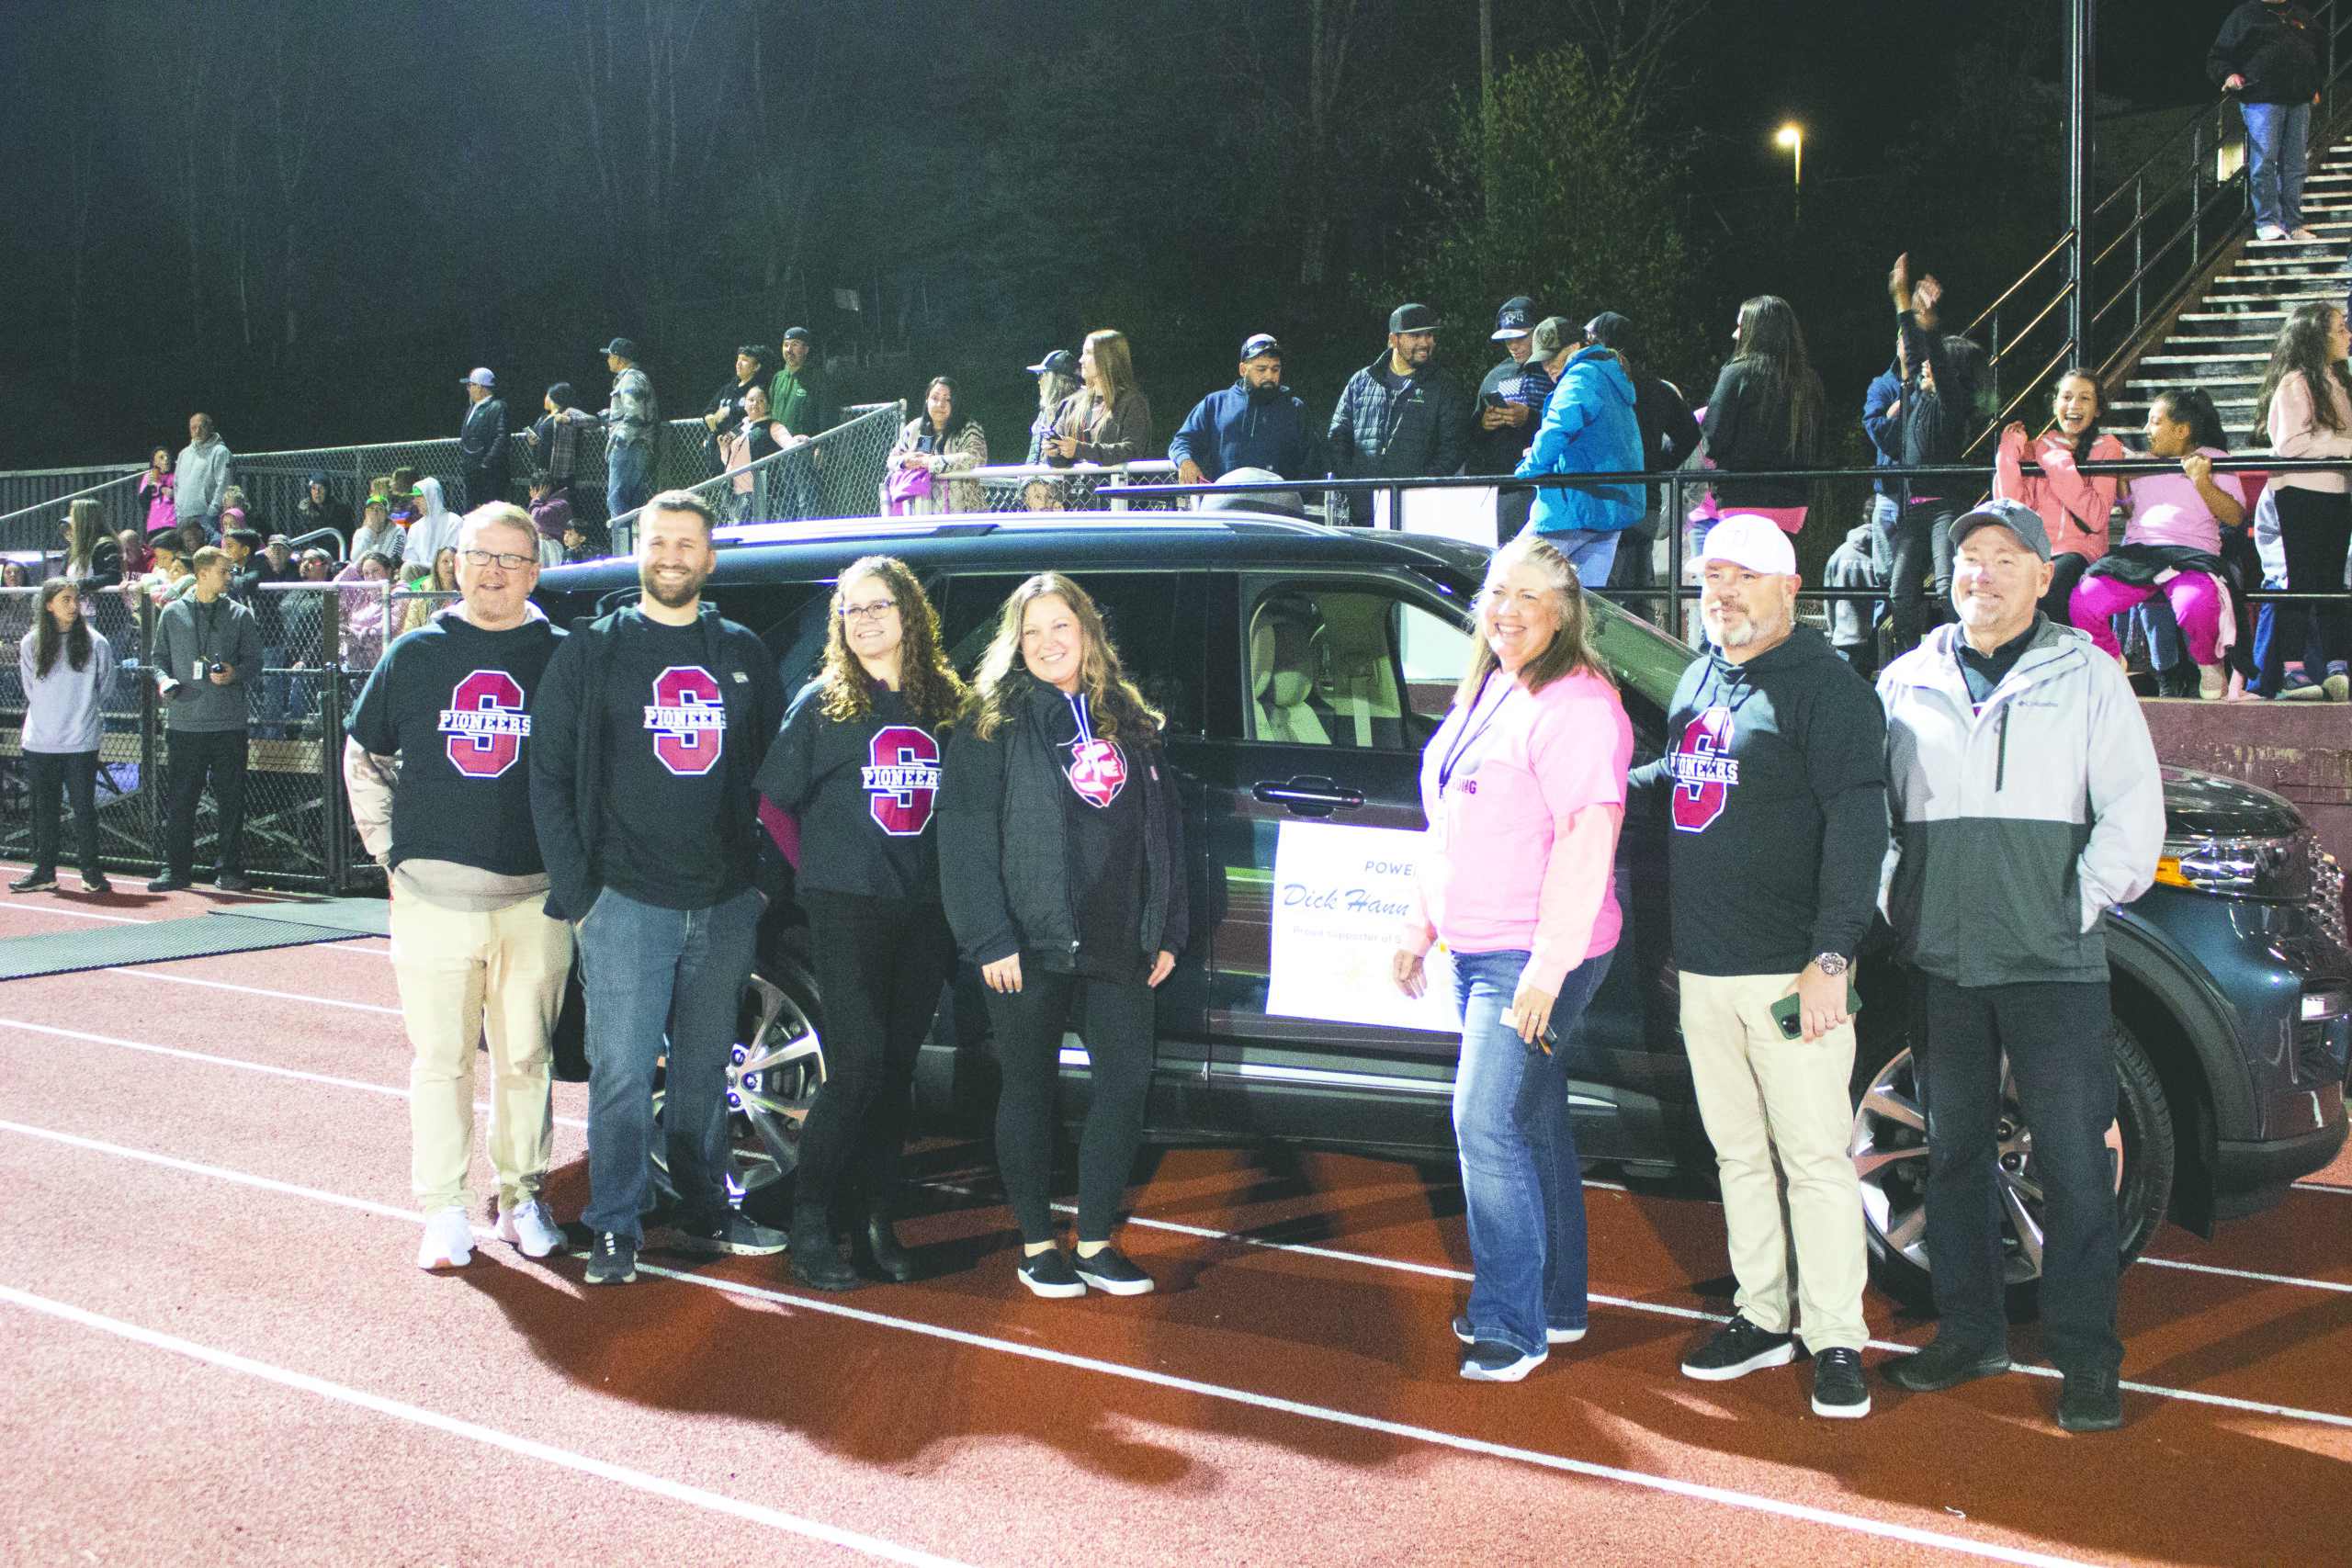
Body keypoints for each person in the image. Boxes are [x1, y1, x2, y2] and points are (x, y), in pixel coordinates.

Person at [1877, 497, 2164, 1434]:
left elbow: (2132, 811)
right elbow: (1873, 818)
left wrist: (2071, 907)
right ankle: (1971, 1332)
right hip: (1943, 964)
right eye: (1967, 558)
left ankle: (2087, 1357)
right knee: (1954, 1157)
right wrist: (1898, 901)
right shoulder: (1903, 680)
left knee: (2076, 1164)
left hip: (2051, 964)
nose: (1982, 573)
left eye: (2005, 557)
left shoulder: (2088, 677)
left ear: (2044, 576)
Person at [1624, 515, 1886, 1418]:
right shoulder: (1703, 674)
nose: (1722, 593)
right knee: (1737, 1154)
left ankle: (1836, 1335)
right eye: (1710, 577)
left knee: (1812, 1156)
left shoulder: (1829, 691)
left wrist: (1830, 957)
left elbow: (1860, 830)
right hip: (1704, 971)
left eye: (1742, 577)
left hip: (1787, 978)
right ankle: (1763, 1314)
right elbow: (1686, 777)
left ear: (1789, 588)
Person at [529, 490, 789, 1284]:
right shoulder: (593, 650)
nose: (673, 556)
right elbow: (548, 773)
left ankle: (707, 1207)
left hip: (721, 900)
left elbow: (773, 777)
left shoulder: (742, 651)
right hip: (625, 900)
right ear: (638, 549)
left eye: (688, 544)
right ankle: (615, 1221)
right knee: (621, 1068)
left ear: (710, 559)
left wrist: (759, 885)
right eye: (659, 541)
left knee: (708, 1067)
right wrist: (583, 895)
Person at [1390, 533, 1631, 1381]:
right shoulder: (1494, 687)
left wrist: (1545, 967)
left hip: (1530, 957)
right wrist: (1423, 926)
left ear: (1564, 611)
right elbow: (1450, 822)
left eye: (1530, 597)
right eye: (1498, 593)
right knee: (1530, 1123)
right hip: (1480, 944)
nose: (1508, 611)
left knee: (1483, 1123)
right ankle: (1557, 1305)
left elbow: (1585, 841)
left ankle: (1510, 1322)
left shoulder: (1578, 705)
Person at [938, 573, 1188, 1299]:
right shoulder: (992, 718)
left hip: (1119, 937)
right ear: (1015, 643)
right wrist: (988, 936)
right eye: (1033, 631)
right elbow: (963, 833)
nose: (1049, 643)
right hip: (1028, 938)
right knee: (1029, 1085)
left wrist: (1167, 926)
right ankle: (1038, 1243)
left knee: (1123, 1084)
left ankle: (1098, 1240)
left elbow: (1163, 826)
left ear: (1088, 633)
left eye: (1062, 627)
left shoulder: (1128, 715)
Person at [346, 503, 572, 1271]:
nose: (494, 571)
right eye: (480, 555)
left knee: (527, 1058)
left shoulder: (563, 657)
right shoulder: (413, 653)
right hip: (434, 896)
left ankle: (520, 1198)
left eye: (512, 558)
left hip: (536, 897)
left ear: (535, 570)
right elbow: (362, 756)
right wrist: (389, 851)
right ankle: (443, 1208)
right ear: (455, 562)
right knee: (441, 1059)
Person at [757, 557, 967, 1290]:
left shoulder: (946, 701)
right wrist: (817, 875)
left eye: (880, 605)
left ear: (910, 612)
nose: (867, 619)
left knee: (898, 1072)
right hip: (847, 908)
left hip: (924, 910)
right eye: (852, 610)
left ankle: (874, 1215)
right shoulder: (823, 703)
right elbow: (773, 803)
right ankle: (811, 1219)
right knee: (860, 1065)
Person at [2073, 388, 2248, 700]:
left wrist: (2201, 480)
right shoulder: (2141, 462)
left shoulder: (2214, 459)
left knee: (2195, 603)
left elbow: (2235, 516)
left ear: (2182, 431)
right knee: (2084, 599)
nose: (2145, 430)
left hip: (2192, 555)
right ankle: (2112, 661)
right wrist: (2124, 487)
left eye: (2154, 422)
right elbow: (2130, 510)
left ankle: (2209, 662)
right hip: (2141, 553)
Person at [1885, 257, 1989, 655]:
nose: (1926, 365)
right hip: (1913, 507)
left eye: (1936, 361)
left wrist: (1931, 327)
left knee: (1949, 588)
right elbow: (1912, 355)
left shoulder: (1953, 402)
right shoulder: (1912, 395)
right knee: (1899, 591)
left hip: (1946, 505)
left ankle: (1965, 653)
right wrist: (1901, 303)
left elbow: (1938, 364)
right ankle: (1909, 658)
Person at [2253, 299, 2352, 698]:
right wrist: (2344, 444)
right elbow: (2289, 443)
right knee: (2300, 582)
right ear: (2316, 337)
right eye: (2340, 329)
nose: (2348, 335)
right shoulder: (2296, 382)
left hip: (2337, 491)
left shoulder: (2339, 381)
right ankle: (2293, 671)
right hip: (2300, 493)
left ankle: (2335, 665)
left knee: (2331, 582)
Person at [148, 546, 261, 894]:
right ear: (202, 573)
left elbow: (255, 664)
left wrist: (235, 672)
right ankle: (175, 870)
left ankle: (229, 869)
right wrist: (163, 680)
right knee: (181, 799)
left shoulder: (241, 615)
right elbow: (157, 659)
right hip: (185, 724)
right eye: (224, 571)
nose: (230, 576)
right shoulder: (172, 614)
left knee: (231, 801)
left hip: (228, 724)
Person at [1514, 317, 1643, 584]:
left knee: (1510, 578)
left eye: (1552, 357)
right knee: (1584, 607)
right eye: (1542, 359)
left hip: (1574, 508)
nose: (1547, 366)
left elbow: (1559, 427)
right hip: (1610, 511)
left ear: (1574, 346)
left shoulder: (1581, 374)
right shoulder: (1610, 373)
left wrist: (1528, 470)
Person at [1995, 369, 2127, 627]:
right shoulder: (2039, 447)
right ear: (2055, 404)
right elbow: (2014, 508)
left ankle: (2058, 660)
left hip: (2080, 551)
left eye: (2085, 398)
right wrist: (2008, 453)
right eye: (2066, 397)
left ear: (2098, 409)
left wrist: (2058, 463)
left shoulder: (2107, 447)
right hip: (2037, 549)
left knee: (2050, 588)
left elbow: (2096, 517)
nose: (2074, 405)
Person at [1585, 311, 1700, 606]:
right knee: (1639, 590)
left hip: (1606, 503)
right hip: (1645, 504)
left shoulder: (1594, 386)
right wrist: (1658, 466)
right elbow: (1690, 435)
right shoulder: (1659, 389)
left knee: (1604, 595)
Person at [14, 578, 117, 897]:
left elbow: (107, 687)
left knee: (84, 808)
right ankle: (44, 871)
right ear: (49, 604)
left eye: (76, 599)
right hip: (40, 740)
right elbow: (31, 690)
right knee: (44, 809)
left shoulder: (95, 642)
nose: (73, 605)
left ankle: (91, 872)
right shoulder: (30, 643)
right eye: (65, 599)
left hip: (80, 741)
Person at [1328, 303, 1474, 526]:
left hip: (1417, 515)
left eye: (1430, 335)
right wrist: (1352, 484)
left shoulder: (1445, 386)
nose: (1425, 342)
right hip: (1362, 514)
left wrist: (1420, 488)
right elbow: (1338, 435)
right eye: (1415, 336)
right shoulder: (1361, 381)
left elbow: (1454, 447)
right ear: (1394, 340)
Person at [2210, 1, 2324, 242]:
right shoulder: (2245, 15)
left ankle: (2293, 224)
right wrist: (2228, 75)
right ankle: (2267, 222)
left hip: (2298, 99)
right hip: (2262, 98)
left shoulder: (2299, 13)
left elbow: (2317, 49)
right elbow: (2218, 55)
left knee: (2295, 165)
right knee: (2265, 162)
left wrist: (2313, 85)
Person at [1826, 355, 1906, 673]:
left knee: (1895, 582)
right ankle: (1889, 649)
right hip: (1891, 489)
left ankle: (1882, 648)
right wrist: (1906, 408)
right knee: (1891, 580)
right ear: (1898, 343)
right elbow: (1880, 434)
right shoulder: (1883, 384)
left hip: (1846, 646)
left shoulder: (1841, 552)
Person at [1170, 333, 1318, 486]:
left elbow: (1312, 464)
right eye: (1261, 369)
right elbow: (1182, 441)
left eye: (1275, 369)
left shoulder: (1295, 409)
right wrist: (1185, 461)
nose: (1269, 375)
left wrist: (1296, 498)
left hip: (1280, 506)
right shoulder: (1215, 404)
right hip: (1227, 503)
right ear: (1243, 369)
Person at [1471, 298, 1549, 537]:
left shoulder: (1555, 369)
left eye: (1521, 337)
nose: (1513, 345)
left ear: (1538, 332)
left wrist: (1530, 418)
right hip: (1506, 490)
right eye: (1508, 339)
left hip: (1550, 487)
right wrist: (1485, 425)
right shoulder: (1494, 377)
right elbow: (1472, 437)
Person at [1046, 330, 1155, 477]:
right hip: (1078, 497)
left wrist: (1080, 449)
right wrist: (1055, 451)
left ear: (1109, 358)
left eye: (1088, 353)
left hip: (1116, 496)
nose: (1081, 360)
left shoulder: (1131, 402)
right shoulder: (1073, 403)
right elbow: (1061, 461)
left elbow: (1132, 451)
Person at [886, 378, 987, 514]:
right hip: (921, 517)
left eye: (947, 400)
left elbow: (975, 458)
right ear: (927, 401)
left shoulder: (969, 428)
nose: (940, 404)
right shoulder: (914, 428)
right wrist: (904, 461)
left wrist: (930, 462)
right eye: (935, 398)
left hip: (964, 516)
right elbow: (891, 460)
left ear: (955, 404)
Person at [770, 328, 836, 520]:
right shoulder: (778, 378)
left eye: (796, 345)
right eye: (786, 345)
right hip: (779, 452)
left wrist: (822, 447)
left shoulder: (817, 377)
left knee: (808, 499)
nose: (789, 350)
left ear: (806, 349)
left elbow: (827, 413)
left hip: (805, 451)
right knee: (784, 500)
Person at [599, 338, 659, 526]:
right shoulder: (636, 378)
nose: (608, 359)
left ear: (619, 358)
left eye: (610, 356)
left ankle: (622, 551)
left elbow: (634, 414)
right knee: (634, 504)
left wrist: (619, 442)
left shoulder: (630, 378)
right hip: (640, 447)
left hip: (630, 447)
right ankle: (633, 549)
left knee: (616, 500)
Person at [718, 383, 788, 523]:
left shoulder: (771, 426)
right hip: (733, 491)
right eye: (751, 400)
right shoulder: (741, 427)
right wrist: (723, 447)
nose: (755, 404)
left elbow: (788, 442)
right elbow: (729, 460)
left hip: (754, 492)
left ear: (768, 406)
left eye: (761, 401)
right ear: (745, 404)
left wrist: (796, 440)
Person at [701, 345, 772, 475]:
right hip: (720, 447)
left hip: (743, 449)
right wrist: (709, 416)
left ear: (756, 367)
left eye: (744, 360)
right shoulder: (728, 388)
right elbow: (710, 408)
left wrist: (730, 411)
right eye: (738, 359)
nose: (739, 364)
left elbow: (755, 411)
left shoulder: (758, 389)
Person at [525, 383, 599, 495]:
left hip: (560, 471)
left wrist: (569, 420)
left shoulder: (568, 412)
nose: (545, 399)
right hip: (541, 471)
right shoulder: (543, 417)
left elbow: (594, 421)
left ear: (553, 397)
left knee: (561, 504)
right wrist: (531, 442)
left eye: (547, 395)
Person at [458, 368, 510, 513]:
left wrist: (486, 462)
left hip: (489, 473)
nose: (468, 389)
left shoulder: (497, 406)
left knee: (490, 512)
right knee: (471, 511)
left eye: (470, 385)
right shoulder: (473, 408)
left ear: (480, 387)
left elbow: (501, 437)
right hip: (472, 470)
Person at [175, 413, 233, 540]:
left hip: (206, 516)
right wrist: (178, 509)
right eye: (193, 428)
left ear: (210, 427)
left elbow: (224, 483)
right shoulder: (184, 454)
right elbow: (176, 484)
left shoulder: (220, 451)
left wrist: (212, 511)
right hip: (183, 516)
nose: (198, 431)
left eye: (202, 426)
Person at [1024, 349, 1081, 466]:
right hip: (1038, 481)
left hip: (1064, 481)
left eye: (1041, 375)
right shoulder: (1045, 412)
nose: (1038, 382)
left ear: (1053, 379)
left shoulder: (1079, 409)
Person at [404, 476, 463, 571]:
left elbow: (451, 556)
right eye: (414, 497)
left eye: (419, 497)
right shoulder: (415, 527)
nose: (415, 502)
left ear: (431, 497)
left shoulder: (454, 522)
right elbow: (410, 557)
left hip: (445, 572)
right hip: (420, 576)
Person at [62, 499, 122, 589]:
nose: (70, 522)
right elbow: (62, 575)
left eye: (73, 518)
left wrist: (82, 584)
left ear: (83, 520)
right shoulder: (73, 549)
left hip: (99, 602)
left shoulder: (106, 545)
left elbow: (113, 576)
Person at [526, 473, 574, 566]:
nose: (530, 493)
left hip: (553, 547)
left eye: (532, 490)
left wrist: (537, 499)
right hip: (543, 546)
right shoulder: (542, 504)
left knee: (542, 543)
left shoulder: (559, 503)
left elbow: (538, 517)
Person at [139, 448, 177, 539]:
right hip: (154, 525)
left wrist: (174, 495)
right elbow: (144, 504)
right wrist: (148, 486)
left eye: (167, 457)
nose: (166, 459)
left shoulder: (176, 475)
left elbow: (185, 498)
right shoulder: (149, 476)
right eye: (161, 457)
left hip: (172, 523)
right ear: (154, 462)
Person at [352, 497, 401, 565]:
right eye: (372, 509)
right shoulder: (360, 533)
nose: (375, 512)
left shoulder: (397, 531)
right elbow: (355, 558)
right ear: (367, 513)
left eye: (380, 509)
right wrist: (370, 531)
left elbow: (392, 559)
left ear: (386, 513)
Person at [295, 472, 338, 538]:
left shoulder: (337, 510)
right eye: (313, 488)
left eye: (321, 488)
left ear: (327, 490)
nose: (317, 492)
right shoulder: (304, 509)